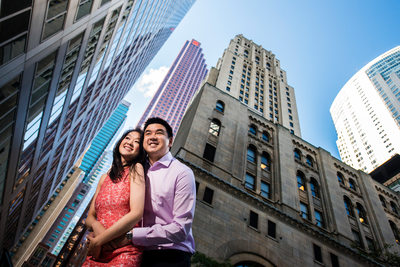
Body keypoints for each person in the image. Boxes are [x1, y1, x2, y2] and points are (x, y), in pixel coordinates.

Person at [116, 117, 196, 266]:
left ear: (170, 141)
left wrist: (132, 235)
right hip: (133, 250)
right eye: (148, 133)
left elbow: (180, 229)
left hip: (170, 255)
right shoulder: (135, 169)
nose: (152, 137)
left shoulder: (182, 173)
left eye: (159, 133)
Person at [82, 129, 146, 266]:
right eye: (128, 138)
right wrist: (97, 226)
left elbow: (137, 213)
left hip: (123, 250)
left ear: (140, 151)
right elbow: (90, 217)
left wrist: (100, 240)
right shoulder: (104, 177)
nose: (130, 143)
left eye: (136, 142)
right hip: (97, 251)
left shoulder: (136, 168)